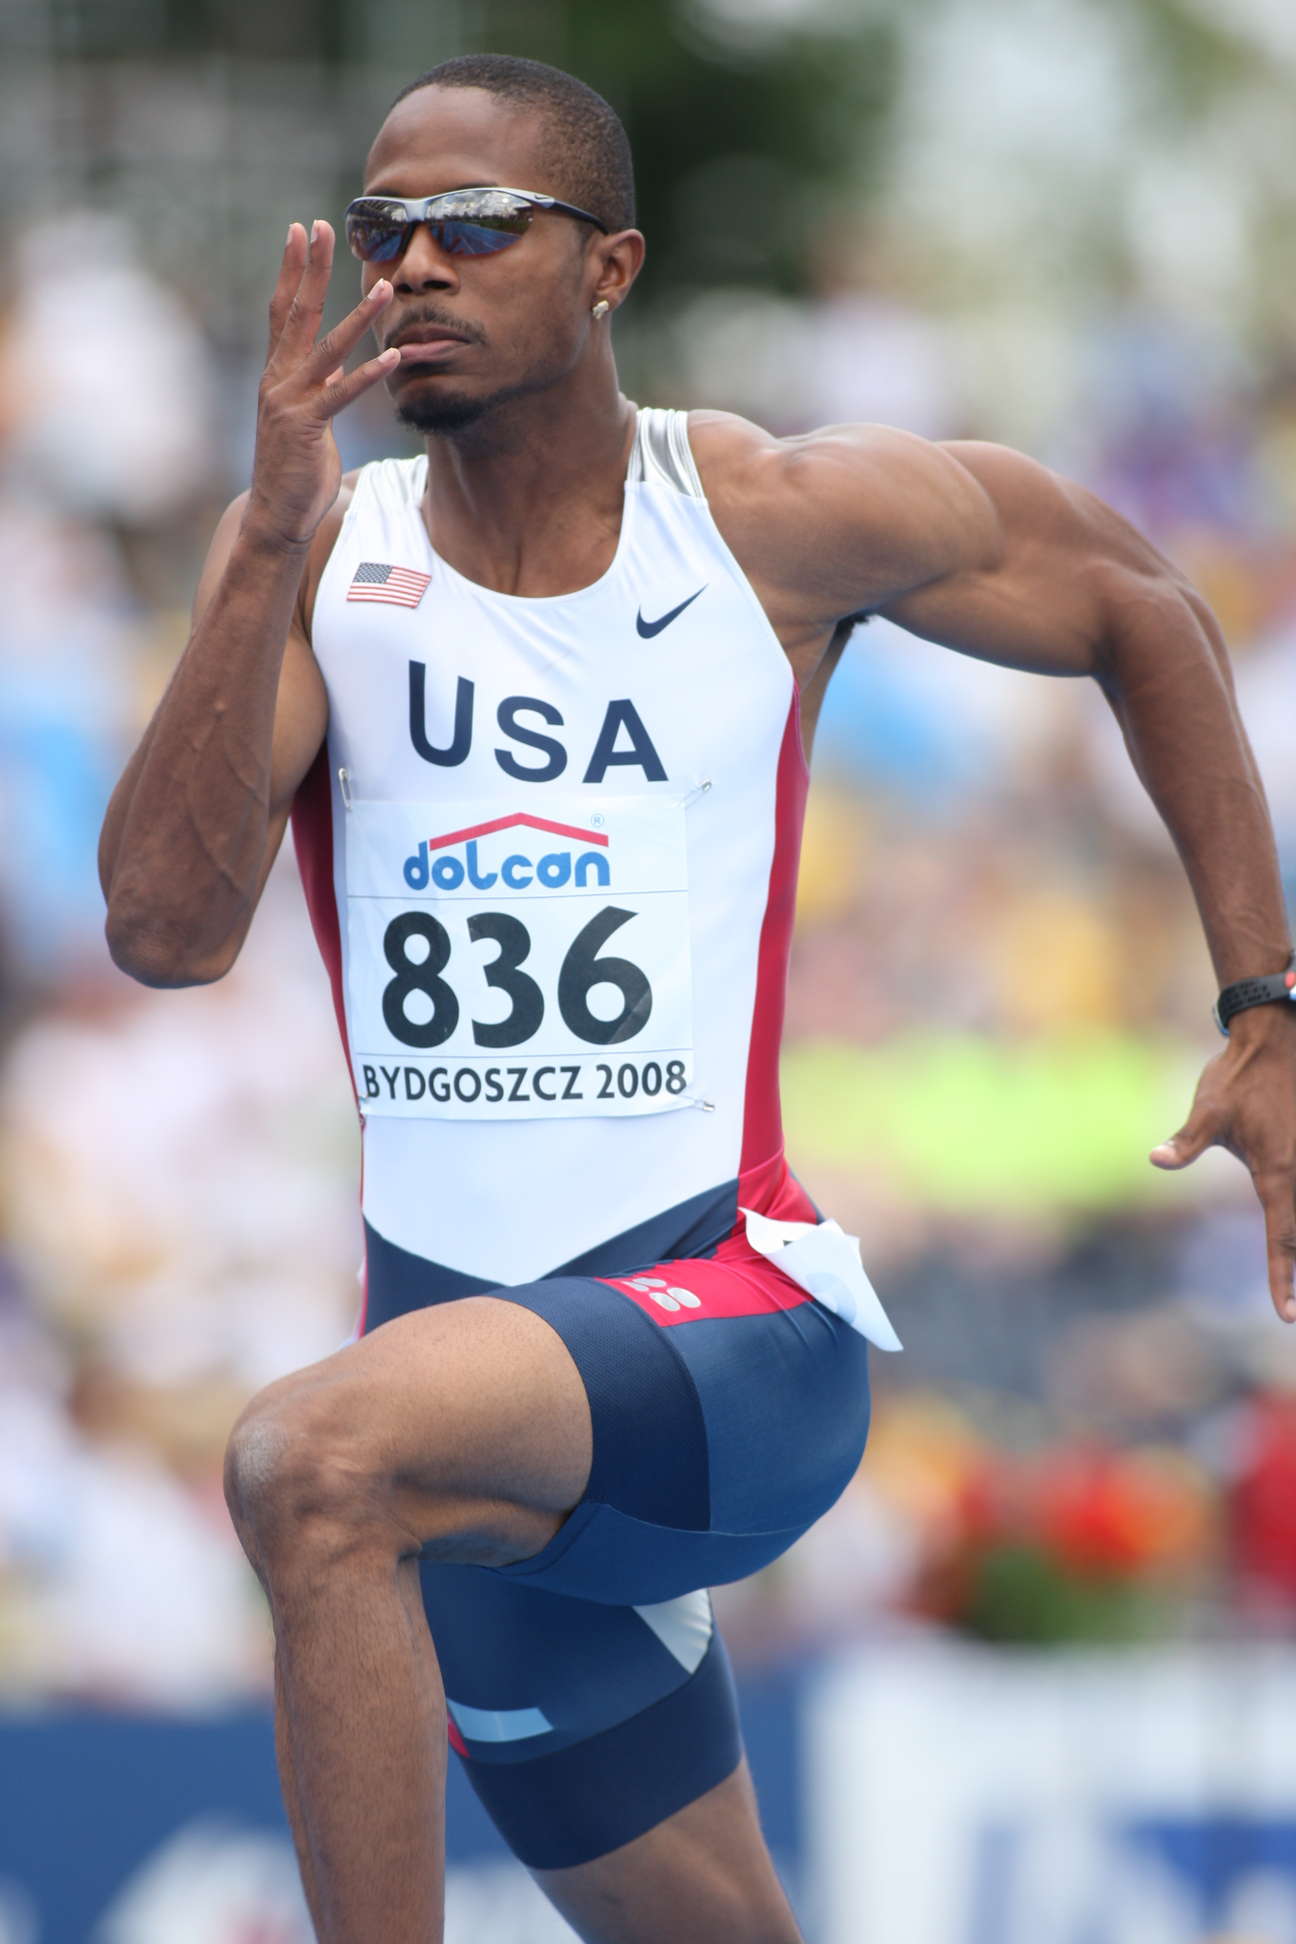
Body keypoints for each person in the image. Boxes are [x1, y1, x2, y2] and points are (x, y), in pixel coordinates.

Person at [98, 51, 1296, 1944]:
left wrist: (1265, 1001)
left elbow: (1139, 598)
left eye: (477, 224)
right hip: (477, 1423)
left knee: (305, 1463)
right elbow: (166, 931)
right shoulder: (322, 561)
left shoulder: (761, 516)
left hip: (730, 1329)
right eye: (388, 228)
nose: (414, 265)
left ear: (611, 266)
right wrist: (255, 541)